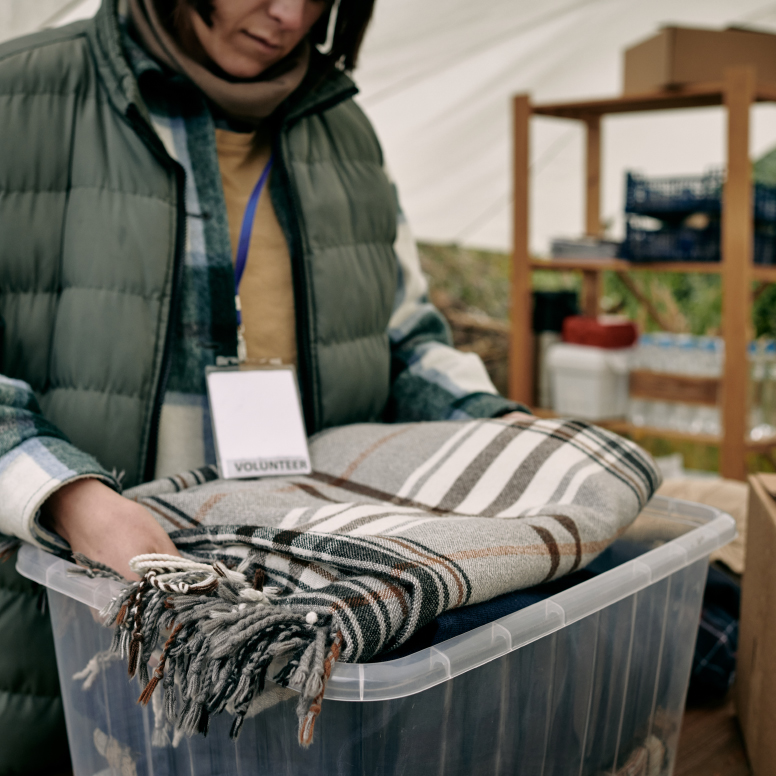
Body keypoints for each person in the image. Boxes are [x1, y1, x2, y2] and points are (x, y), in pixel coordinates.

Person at [0, 0, 525, 771]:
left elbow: (407, 340)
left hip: (298, 623)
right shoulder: (21, 97)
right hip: (60, 637)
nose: (287, 14)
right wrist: (72, 501)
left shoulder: (344, 133)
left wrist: (507, 436)